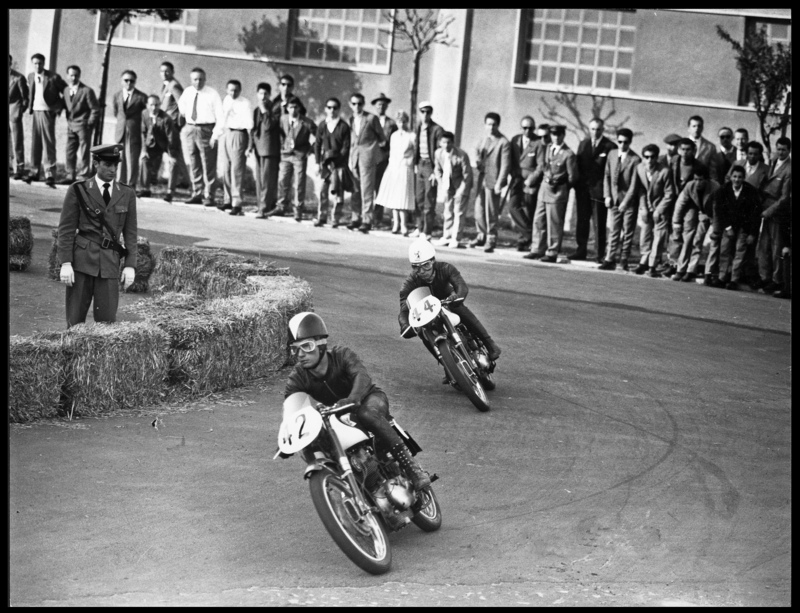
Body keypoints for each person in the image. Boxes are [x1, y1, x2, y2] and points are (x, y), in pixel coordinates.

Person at [283, 312, 431, 490]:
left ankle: (412, 468)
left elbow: (362, 376)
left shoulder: (342, 355)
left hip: (369, 399)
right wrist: (289, 436)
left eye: (307, 346)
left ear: (321, 344)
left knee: (366, 413)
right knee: (318, 439)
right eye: (295, 349)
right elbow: (292, 408)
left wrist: (353, 398)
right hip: (337, 413)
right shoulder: (298, 377)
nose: (300, 354)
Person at [56, 144, 138, 328]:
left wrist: (130, 265)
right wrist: (66, 263)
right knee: (75, 323)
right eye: (108, 164)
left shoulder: (127, 193)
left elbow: (131, 233)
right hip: (82, 262)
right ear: (95, 163)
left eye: (115, 165)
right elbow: (66, 229)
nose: (113, 170)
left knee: (107, 324)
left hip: (110, 263)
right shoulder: (79, 189)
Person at [399, 239, 501, 362]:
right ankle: (445, 363)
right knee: (422, 331)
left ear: (433, 261)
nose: (422, 272)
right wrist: (405, 325)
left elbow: (461, 285)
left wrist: (458, 296)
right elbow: (404, 308)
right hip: (428, 311)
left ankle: (490, 344)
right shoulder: (409, 283)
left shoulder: (446, 268)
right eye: (416, 267)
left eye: (426, 265)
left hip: (448, 301)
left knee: (458, 307)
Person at [524, 124, 577, 262]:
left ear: (563, 135)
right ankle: (537, 249)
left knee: (554, 223)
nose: (556, 137)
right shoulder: (547, 148)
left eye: (559, 134)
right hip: (544, 188)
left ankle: (552, 252)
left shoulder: (568, 154)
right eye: (553, 134)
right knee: (538, 220)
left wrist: (561, 186)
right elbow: (543, 166)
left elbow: (572, 177)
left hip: (557, 191)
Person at [705, 165, 762, 290]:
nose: (737, 180)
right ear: (730, 177)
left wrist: (752, 233)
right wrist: (727, 227)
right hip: (728, 224)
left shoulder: (750, 191)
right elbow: (719, 210)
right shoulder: (723, 190)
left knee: (739, 251)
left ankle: (734, 280)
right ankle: (722, 277)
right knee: (724, 249)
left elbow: (755, 214)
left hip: (744, 226)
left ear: (744, 178)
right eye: (734, 177)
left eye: (740, 177)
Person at [177, 67, 224, 206]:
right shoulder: (187, 92)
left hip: (206, 130)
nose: (198, 82)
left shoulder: (212, 94)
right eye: (195, 79)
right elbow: (182, 107)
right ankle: (197, 193)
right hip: (190, 128)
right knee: (194, 162)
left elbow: (220, 116)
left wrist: (215, 135)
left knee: (208, 163)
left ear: (205, 79)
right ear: (191, 80)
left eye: (201, 79)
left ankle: (209, 195)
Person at [661, 138, 708, 276]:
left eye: (688, 150)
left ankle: (685, 266)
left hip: (690, 204)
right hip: (674, 201)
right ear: (678, 150)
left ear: (693, 151)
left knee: (688, 233)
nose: (685, 152)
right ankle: (673, 263)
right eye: (683, 149)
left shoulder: (699, 165)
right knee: (674, 233)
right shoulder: (673, 161)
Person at [574, 118, 617, 261]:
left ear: (603, 130)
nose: (595, 132)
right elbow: (578, 165)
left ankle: (599, 254)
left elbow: (611, 171)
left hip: (599, 191)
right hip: (583, 190)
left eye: (598, 129)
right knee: (582, 221)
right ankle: (581, 250)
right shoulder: (583, 144)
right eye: (592, 129)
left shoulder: (610, 146)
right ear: (589, 129)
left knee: (599, 223)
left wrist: (608, 192)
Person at [598, 128, 641, 271]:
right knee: (614, 230)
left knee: (627, 232)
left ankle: (624, 259)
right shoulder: (612, 154)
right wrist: (607, 195)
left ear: (630, 142)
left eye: (626, 142)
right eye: (620, 142)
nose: (622, 145)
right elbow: (607, 176)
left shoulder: (635, 159)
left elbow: (634, 185)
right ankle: (609, 259)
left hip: (629, 202)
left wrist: (626, 202)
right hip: (614, 200)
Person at [631, 143, 676, 277]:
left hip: (661, 208)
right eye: (646, 157)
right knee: (645, 234)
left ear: (657, 157)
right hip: (647, 207)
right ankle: (643, 261)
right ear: (643, 158)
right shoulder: (639, 168)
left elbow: (669, 193)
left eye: (652, 157)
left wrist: (659, 210)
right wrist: (644, 208)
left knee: (658, 237)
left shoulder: (664, 171)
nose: (649, 160)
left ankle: (652, 266)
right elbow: (641, 190)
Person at [470, 112, 512, 253]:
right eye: (488, 124)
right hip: (482, 178)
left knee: (491, 211)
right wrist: (477, 160)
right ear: (485, 125)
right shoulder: (483, 139)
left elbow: (505, 165)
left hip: (494, 181)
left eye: (494, 125)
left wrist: (500, 183)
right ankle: (481, 235)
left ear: (498, 125)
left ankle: (491, 238)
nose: (491, 127)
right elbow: (476, 150)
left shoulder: (503, 142)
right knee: (479, 209)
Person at [755, 137, 792, 295]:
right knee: (764, 245)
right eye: (779, 149)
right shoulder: (773, 162)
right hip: (766, 208)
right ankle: (765, 277)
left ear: (789, 150)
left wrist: (769, 211)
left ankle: (777, 280)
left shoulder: (789, 169)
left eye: (784, 149)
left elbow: (784, 197)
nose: (780, 152)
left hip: (777, 212)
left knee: (776, 246)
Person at [670, 166, 720, 282]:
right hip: (702, 214)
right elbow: (680, 204)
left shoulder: (715, 187)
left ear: (707, 180)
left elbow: (718, 210)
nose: (698, 183)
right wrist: (676, 222)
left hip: (716, 217)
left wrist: (715, 227)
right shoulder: (690, 186)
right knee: (696, 240)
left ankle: (709, 273)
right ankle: (688, 270)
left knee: (714, 242)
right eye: (696, 179)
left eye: (700, 180)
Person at [269, 95, 316, 221]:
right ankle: (281, 207)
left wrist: (310, 150)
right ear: (287, 108)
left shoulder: (307, 122)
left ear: (299, 108)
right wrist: (282, 145)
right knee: (283, 180)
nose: (293, 110)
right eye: (290, 107)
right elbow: (278, 133)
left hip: (299, 156)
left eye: (295, 107)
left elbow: (319, 137)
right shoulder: (283, 119)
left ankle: (298, 210)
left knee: (299, 183)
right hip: (285, 155)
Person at [347, 92, 385, 234]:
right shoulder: (351, 119)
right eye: (354, 104)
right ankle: (355, 217)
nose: (357, 106)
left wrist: (372, 151)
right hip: (354, 157)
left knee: (367, 189)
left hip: (368, 158)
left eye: (360, 104)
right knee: (355, 189)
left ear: (363, 104)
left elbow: (382, 138)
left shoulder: (371, 118)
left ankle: (367, 220)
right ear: (350, 105)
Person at [507, 116, 545, 251]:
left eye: (531, 128)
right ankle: (530, 234)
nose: (528, 131)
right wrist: (511, 173)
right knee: (512, 206)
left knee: (529, 210)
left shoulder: (538, 143)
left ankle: (524, 240)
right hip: (516, 179)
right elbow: (510, 159)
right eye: (525, 128)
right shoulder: (515, 140)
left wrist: (531, 179)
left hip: (530, 182)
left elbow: (541, 165)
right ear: (521, 128)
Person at [27, 52, 66, 187]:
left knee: (48, 143)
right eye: (35, 63)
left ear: (44, 64)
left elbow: (66, 91)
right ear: (32, 64)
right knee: (35, 143)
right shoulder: (30, 76)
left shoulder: (53, 77)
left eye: (40, 63)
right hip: (36, 111)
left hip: (48, 112)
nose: (37, 66)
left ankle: (50, 174)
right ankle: (34, 171)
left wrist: (58, 108)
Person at [374, 110, 415, 236]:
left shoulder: (411, 136)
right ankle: (396, 223)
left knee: (402, 197)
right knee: (393, 196)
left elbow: (414, 153)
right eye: (399, 122)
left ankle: (404, 225)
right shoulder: (394, 136)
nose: (401, 124)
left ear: (407, 122)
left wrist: (409, 163)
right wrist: (392, 166)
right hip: (393, 167)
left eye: (403, 122)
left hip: (405, 167)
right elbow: (392, 152)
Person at [313, 96, 351, 228]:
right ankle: (321, 217)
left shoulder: (344, 126)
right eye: (329, 107)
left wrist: (336, 162)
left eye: (335, 108)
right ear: (325, 109)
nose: (332, 110)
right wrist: (318, 163)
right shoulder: (322, 125)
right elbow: (317, 145)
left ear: (339, 109)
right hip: (325, 165)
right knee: (322, 192)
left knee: (338, 193)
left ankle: (335, 218)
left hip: (339, 165)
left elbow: (346, 148)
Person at [432, 131, 473, 248]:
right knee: (447, 211)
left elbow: (467, 175)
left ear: (453, 143)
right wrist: (441, 184)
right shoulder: (438, 153)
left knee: (458, 212)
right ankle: (447, 236)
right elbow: (437, 170)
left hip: (461, 185)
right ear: (440, 143)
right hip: (447, 185)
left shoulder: (461, 155)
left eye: (449, 142)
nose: (446, 145)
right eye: (444, 142)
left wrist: (461, 191)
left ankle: (456, 238)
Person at [61, 65, 99, 184]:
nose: (73, 78)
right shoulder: (66, 90)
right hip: (71, 125)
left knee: (84, 152)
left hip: (83, 125)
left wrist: (89, 123)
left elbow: (95, 109)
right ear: (67, 76)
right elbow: (66, 107)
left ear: (79, 76)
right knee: (69, 151)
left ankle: (83, 175)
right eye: (71, 75)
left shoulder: (86, 90)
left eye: (76, 75)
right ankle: (70, 175)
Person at [219, 79, 253, 214]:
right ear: (227, 90)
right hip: (226, 133)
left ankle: (237, 203)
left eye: (236, 90)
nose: (233, 93)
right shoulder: (226, 100)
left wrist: (249, 145)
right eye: (231, 90)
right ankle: (227, 200)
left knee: (237, 170)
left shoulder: (245, 103)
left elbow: (250, 125)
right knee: (226, 169)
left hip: (239, 134)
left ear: (240, 90)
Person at [412, 101, 444, 240]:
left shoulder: (437, 130)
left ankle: (427, 231)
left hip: (431, 166)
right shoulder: (418, 127)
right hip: (420, 163)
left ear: (431, 113)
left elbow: (440, 152)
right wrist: (415, 164)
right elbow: (416, 146)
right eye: (423, 112)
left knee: (429, 199)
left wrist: (436, 170)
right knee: (418, 199)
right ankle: (419, 227)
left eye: (428, 112)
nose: (425, 114)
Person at [249, 82, 281, 219]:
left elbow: (268, 125)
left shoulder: (275, 109)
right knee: (260, 180)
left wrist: (264, 110)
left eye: (266, 94)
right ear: (257, 94)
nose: (263, 97)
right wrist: (250, 146)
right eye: (261, 93)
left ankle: (265, 208)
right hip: (258, 148)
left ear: (270, 95)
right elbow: (254, 129)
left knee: (268, 180)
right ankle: (260, 205)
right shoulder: (256, 110)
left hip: (270, 149)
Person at [112, 70, 147, 190]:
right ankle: (119, 183)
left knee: (132, 159)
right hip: (120, 131)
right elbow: (116, 112)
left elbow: (145, 115)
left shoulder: (141, 97)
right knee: (119, 158)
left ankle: (131, 185)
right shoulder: (117, 95)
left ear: (135, 82)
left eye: (131, 81)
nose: (129, 83)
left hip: (134, 132)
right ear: (121, 81)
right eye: (126, 80)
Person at [159, 61, 188, 203]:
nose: (164, 74)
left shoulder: (174, 85)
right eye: (162, 71)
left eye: (167, 71)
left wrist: (178, 124)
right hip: (164, 125)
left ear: (172, 72)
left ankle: (171, 190)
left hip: (172, 126)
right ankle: (188, 182)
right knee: (177, 156)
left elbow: (183, 106)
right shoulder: (166, 85)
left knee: (173, 157)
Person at [137, 95, 175, 198]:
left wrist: (171, 155)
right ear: (147, 105)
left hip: (165, 144)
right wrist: (144, 150)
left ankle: (170, 191)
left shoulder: (166, 118)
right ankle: (145, 189)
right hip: (150, 144)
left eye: (156, 105)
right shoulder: (144, 114)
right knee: (144, 160)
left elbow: (171, 138)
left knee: (173, 163)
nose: (154, 108)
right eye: (151, 105)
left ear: (160, 105)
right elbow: (143, 133)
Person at [372, 92, 398, 228]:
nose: (381, 107)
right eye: (378, 105)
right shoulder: (370, 120)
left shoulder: (391, 123)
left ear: (387, 106)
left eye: (383, 105)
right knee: (367, 188)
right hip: (370, 158)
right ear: (375, 106)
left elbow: (394, 142)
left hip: (383, 159)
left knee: (380, 189)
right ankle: (365, 217)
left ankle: (377, 218)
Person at [9, 54, 30, 181]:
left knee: (16, 141)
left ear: (10, 63)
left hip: (14, 111)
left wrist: (20, 111)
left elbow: (25, 98)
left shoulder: (18, 78)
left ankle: (19, 168)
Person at [687, 115, 720, 183]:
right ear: (689, 128)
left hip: (702, 183)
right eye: (694, 126)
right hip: (684, 182)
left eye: (699, 126)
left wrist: (714, 184)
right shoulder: (681, 144)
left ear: (702, 128)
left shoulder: (710, 147)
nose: (697, 128)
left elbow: (712, 170)